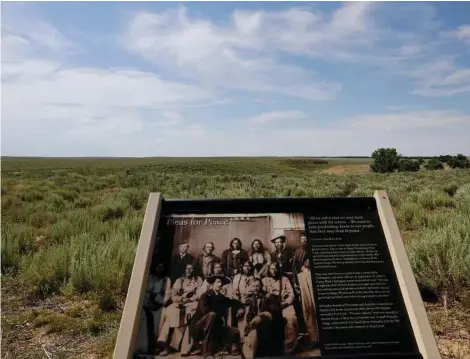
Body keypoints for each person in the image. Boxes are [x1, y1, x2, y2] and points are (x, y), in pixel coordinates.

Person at [187, 276, 240, 356]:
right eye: (218, 282)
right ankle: (206, 350)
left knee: (234, 331)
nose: (220, 284)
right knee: (212, 315)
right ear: (212, 284)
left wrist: (241, 308)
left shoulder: (221, 297)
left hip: (214, 326)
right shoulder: (205, 295)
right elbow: (205, 311)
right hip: (198, 327)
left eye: (221, 282)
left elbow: (234, 302)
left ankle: (227, 348)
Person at [156, 263, 202, 355]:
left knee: (189, 317)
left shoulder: (198, 280)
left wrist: (189, 299)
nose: (189, 270)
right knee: (169, 313)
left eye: (191, 268)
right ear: (184, 270)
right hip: (180, 303)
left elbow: (199, 294)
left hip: (192, 303)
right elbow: (173, 296)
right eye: (187, 269)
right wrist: (181, 299)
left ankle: (184, 347)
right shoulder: (179, 280)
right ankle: (164, 344)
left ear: (194, 270)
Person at [242, 278, 285, 358]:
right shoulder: (253, 298)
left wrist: (261, 317)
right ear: (250, 287)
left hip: (268, 323)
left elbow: (273, 313)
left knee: (263, 331)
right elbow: (250, 314)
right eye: (253, 286)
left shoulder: (269, 296)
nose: (255, 288)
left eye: (258, 286)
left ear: (261, 286)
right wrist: (249, 323)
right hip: (256, 323)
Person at [135, 262, 171, 355]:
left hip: (159, 305)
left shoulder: (167, 279)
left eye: (162, 267)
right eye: (158, 267)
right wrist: (148, 303)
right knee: (144, 316)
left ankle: (159, 344)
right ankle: (144, 346)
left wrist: (160, 303)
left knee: (164, 315)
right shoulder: (150, 277)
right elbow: (144, 292)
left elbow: (168, 294)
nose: (160, 269)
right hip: (147, 304)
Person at [262, 262, 299, 354]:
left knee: (290, 319)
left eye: (275, 268)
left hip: (284, 305)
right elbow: (261, 292)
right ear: (268, 270)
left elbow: (291, 294)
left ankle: (289, 348)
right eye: (271, 269)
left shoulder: (285, 279)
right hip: (271, 306)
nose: (273, 271)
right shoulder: (265, 280)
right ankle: (273, 347)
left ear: (278, 269)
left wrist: (286, 303)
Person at [232, 261, 256, 341]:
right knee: (239, 319)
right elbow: (234, 292)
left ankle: (248, 342)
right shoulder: (237, 277)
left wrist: (250, 299)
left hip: (252, 303)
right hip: (240, 303)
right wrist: (240, 305)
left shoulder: (255, 276)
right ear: (242, 267)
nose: (247, 267)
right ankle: (239, 342)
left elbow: (257, 291)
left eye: (249, 266)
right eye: (245, 266)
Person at [297, 258, 319, 344]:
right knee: (308, 312)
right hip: (305, 294)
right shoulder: (300, 275)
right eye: (306, 260)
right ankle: (314, 338)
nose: (308, 261)